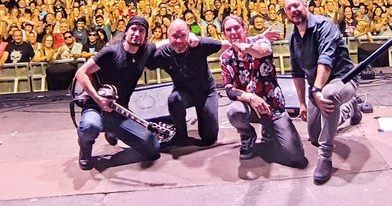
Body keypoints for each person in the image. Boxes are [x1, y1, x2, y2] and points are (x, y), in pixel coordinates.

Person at [284, 0, 361, 185]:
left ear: (305, 5)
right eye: (289, 8)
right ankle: (351, 108)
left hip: (342, 80)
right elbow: (296, 73)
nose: (293, 10)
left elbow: (325, 62)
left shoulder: (324, 26)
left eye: (296, 5)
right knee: (314, 136)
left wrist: (317, 90)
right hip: (317, 86)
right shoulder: (293, 38)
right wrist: (302, 103)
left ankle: (325, 157)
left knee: (329, 95)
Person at [73, 16, 161, 170]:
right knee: (90, 126)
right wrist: (97, 98)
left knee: (153, 149)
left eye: (141, 31)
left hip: (119, 112)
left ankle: (112, 131)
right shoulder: (110, 52)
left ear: (145, 36)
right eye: (133, 29)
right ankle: (85, 150)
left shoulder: (145, 51)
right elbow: (81, 73)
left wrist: (189, 36)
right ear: (126, 32)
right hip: (96, 107)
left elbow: (163, 43)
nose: (137, 34)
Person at [220, 15, 305, 167]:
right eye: (229, 29)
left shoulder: (262, 42)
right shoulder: (226, 58)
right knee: (234, 111)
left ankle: (269, 129)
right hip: (248, 107)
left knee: (296, 156)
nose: (233, 32)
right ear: (224, 34)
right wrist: (251, 98)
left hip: (273, 107)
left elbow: (262, 51)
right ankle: (247, 135)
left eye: (237, 28)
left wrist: (248, 48)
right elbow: (229, 90)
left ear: (245, 28)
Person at [148, 18, 225, 149]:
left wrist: (253, 42)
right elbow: (142, 58)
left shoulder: (200, 44)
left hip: (206, 93)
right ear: (168, 36)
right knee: (174, 99)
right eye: (174, 36)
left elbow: (226, 44)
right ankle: (181, 134)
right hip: (184, 93)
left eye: (182, 36)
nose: (179, 41)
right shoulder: (163, 54)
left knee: (210, 138)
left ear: (188, 34)